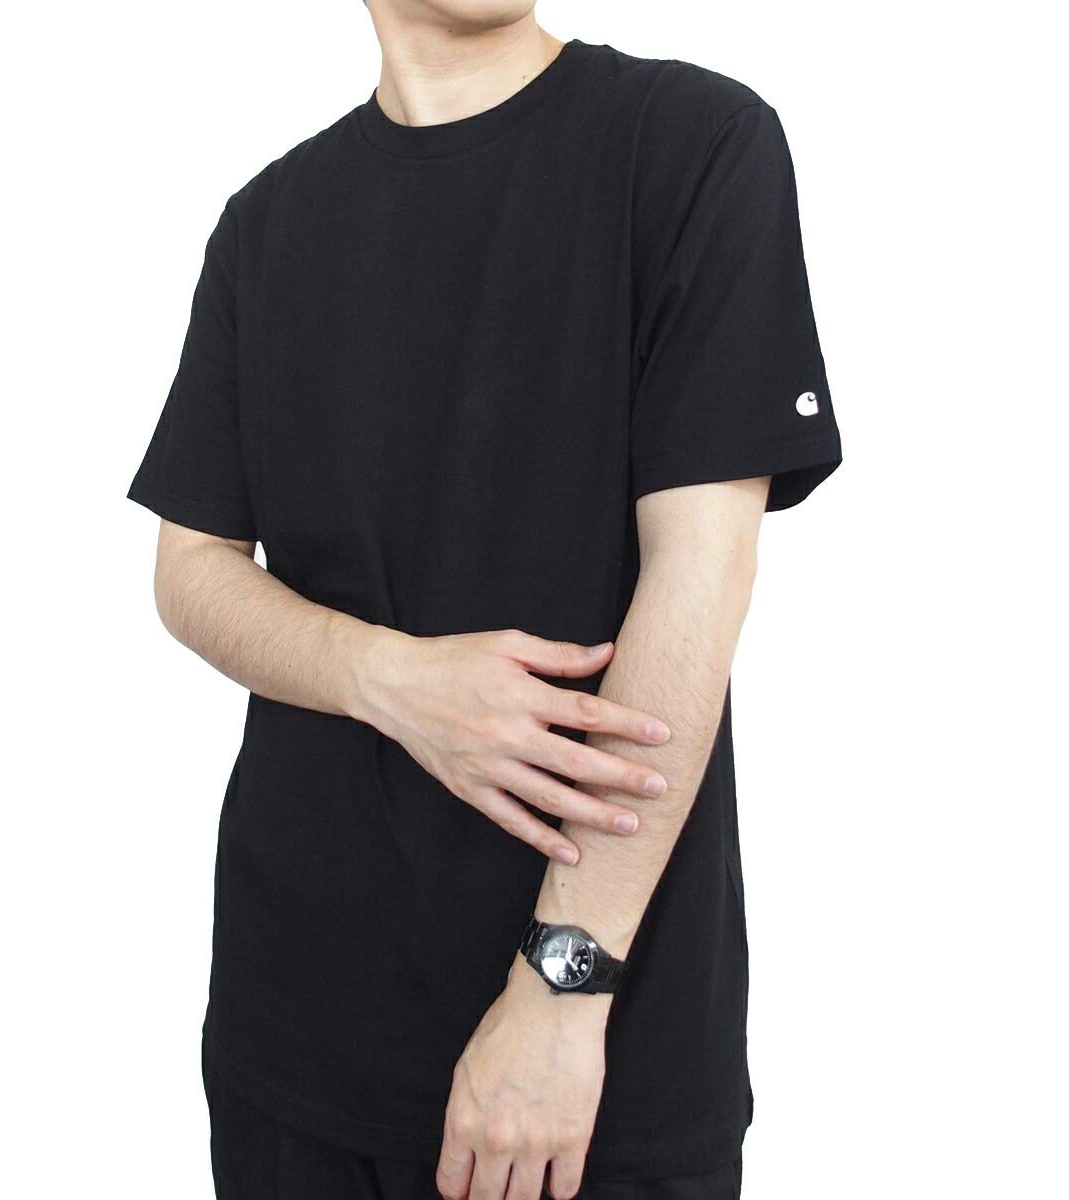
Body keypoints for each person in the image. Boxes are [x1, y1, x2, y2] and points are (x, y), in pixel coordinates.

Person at [128, 3, 841, 1198]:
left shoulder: (690, 142)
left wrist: (564, 981)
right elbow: (190, 567)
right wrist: (388, 678)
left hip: (594, 1060)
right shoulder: (266, 224)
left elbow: (701, 577)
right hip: (291, 1035)